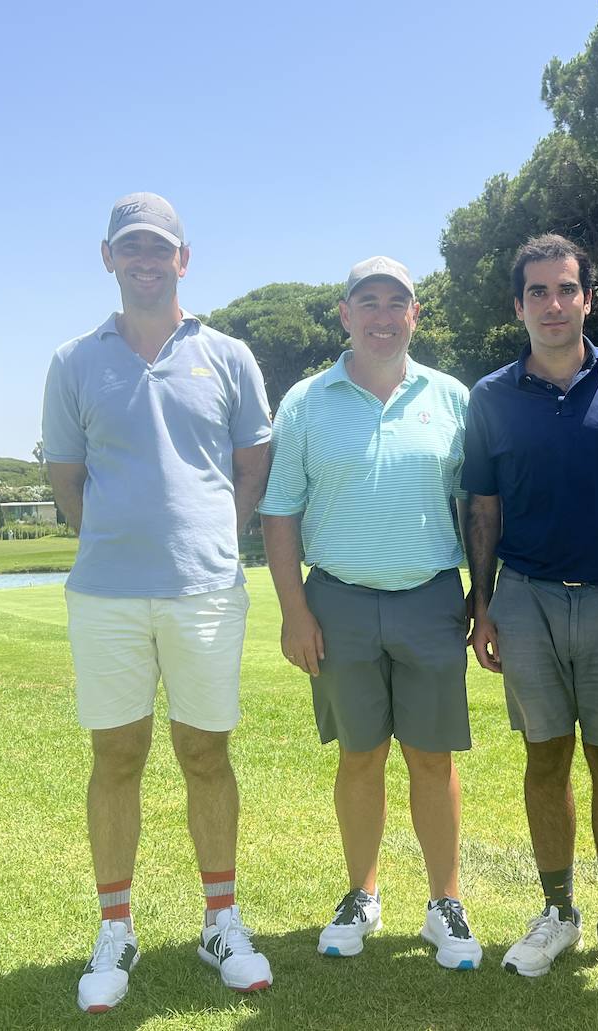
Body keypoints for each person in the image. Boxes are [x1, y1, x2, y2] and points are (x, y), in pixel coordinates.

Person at [42, 193, 275, 1013]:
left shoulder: (230, 355)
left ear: (184, 259)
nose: (146, 259)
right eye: (130, 246)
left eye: (160, 247)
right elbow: (66, 477)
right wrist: (118, 537)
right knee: (117, 755)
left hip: (206, 588)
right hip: (107, 592)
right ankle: (116, 926)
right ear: (108, 257)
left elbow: (253, 464)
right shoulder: (74, 359)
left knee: (206, 753)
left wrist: (211, 535)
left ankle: (221, 920)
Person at [259, 256, 482, 971]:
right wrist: (295, 610)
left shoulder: (451, 397)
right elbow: (279, 512)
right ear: (345, 314)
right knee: (361, 755)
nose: (383, 316)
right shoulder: (303, 402)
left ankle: (444, 901)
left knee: (431, 754)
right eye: (368, 302)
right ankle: (362, 891)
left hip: (430, 598)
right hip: (339, 601)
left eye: (397, 302)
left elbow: (479, 508)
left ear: (415, 314)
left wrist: (484, 598)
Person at [463, 234, 598, 991]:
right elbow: (482, 507)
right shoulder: (490, 395)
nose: (554, 304)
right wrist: (480, 604)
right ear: (519, 305)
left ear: (588, 297)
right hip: (526, 598)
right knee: (544, 755)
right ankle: (559, 910)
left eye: (567, 289)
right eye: (538, 292)